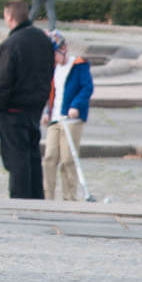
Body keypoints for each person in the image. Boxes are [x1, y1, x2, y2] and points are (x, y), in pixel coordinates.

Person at [0, 0, 56, 199]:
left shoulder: (11, 44)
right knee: (32, 157)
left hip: (12, 110)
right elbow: (49, 72)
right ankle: (36, 198)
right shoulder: (43, 39)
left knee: (16, 161)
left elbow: (2, 80)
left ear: (9, 17)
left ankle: (20, 200)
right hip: (34, 107)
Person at [42, 30, 94, 201]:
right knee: (49, 157)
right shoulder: (53, 69)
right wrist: (47, 112)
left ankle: (69, 198)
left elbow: (87, 88)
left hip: (72, 120)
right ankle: (47, 196)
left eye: (54, 53)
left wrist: (76, 106)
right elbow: (51, 93)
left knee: (67, 160)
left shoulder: (79, 65)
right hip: (55, 119)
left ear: (63, 49)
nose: (52, 58)